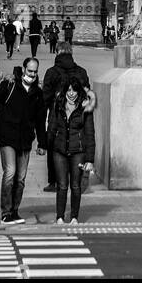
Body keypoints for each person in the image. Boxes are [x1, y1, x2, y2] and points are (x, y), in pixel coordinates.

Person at [0, 55, 47, 225]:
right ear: (24, 69)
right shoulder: (9, 84)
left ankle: (14, 210)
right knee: (10, 172)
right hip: (7, 136)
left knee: (21, 178)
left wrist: (42, 143)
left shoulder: (38, 93)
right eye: (29, 71)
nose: (32, 75)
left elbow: (40, 120)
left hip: (25, 139)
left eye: (35, 72)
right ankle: (6, 211)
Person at [47, 74, 96, 226]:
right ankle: (60, 217)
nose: (71, 93)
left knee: (75, 185)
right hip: (59, 150)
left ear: (79, 92)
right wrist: (48, 146)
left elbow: (89, 133)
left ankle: (74, 217)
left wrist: (90, 159)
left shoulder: (85, 107)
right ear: (64, 90)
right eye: (69, 90)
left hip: (78, 152)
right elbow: (52, 127)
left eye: (74, 90)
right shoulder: (58, 104)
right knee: (62, 185)